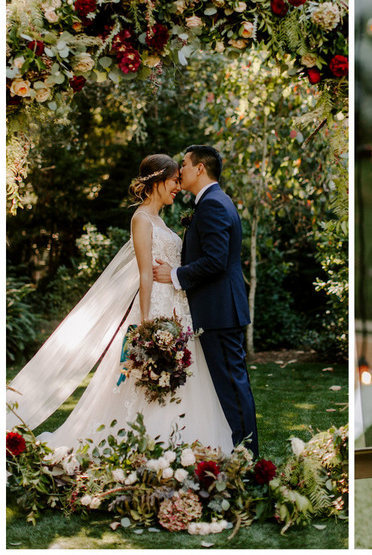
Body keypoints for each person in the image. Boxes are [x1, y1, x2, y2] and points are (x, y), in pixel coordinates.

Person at [6, 154, 233, 451]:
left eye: (179, 179)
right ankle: (149, 443)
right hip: (156, 310)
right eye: (175, 180)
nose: (178, 186)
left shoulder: (159, 220)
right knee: (149, 377)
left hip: (178, 309)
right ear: (158, 180)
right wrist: (147, 323)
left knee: (181, 375)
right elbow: (144, 275)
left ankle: (182, 443)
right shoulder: (140, 219)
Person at [154, 145, 259, 455]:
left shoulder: (213, 204)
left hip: (220, 312)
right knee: (232, 387)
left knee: (233, 389)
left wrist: (175, 275)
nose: (180, 170)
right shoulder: (212, 202)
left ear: (200, 168)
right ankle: (241, 453)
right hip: (220, 310)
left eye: (184, 164)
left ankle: (248, 458)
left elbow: (215, 260)